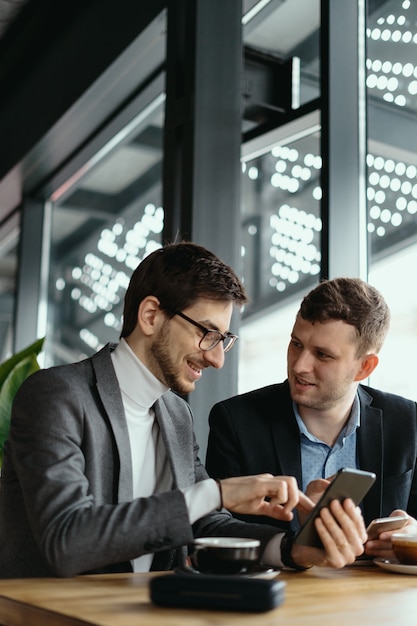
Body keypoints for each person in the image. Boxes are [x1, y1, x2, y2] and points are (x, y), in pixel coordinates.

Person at [0, 244, 366, 579]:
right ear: (150, 315)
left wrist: (293, 548)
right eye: (207, 333)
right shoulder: (56, 395)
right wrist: (217, 493)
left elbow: (205, 524)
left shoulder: (175, 414)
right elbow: (67, 541)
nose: (217, 358)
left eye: (223, 339)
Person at [206, 277, 417, 562]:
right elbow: (212, 530)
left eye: (322, 355)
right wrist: (294, 546)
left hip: (379, 600)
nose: (300, 365)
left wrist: (412, 538)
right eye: (296, 344)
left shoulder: (408, 422)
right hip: (278, 598)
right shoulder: (235, 421)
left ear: (364, 367)